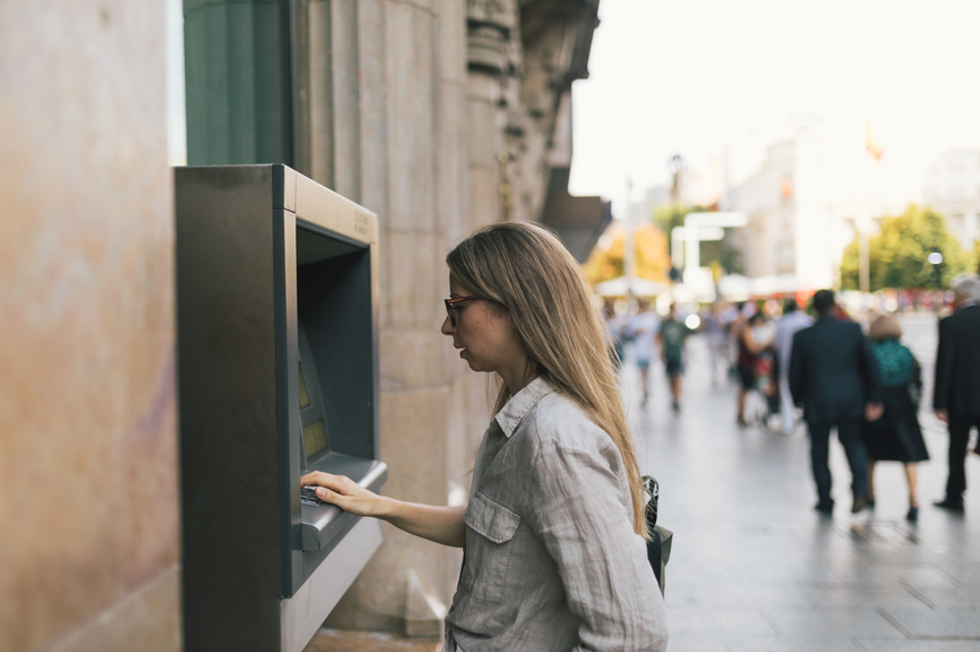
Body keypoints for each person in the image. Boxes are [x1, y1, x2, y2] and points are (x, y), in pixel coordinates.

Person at [302, 222, 668, 651]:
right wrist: (379, 505)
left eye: (456, 305)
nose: (446, 326)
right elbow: (501, 531)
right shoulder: (531, 417)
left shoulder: (554, 440)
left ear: (514, 304)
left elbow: (633, 634)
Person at [789, 290, 883, 514]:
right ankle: (860, 488)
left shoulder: (803, 336)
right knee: (854, 445)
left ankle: (825, 498)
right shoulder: (852, 329)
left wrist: (798, 401)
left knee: (819, 452)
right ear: (835, 305)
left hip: (817, 401)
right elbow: (870, 365)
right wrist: (874, 397)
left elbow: (794, 373)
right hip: (850, 400)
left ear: (814, 307)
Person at [865, 314, 929, 521]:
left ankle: (870, 493)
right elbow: (917, 380)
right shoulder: (905, 351)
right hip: (902, 405)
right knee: (909, 454)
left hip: (878, 405)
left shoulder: (870, 352)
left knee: (871, 451)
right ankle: (913, 499)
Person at [932, 274, 980, 512]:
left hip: (960, 399)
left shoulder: (951, 322)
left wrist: (939, 402)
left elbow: (945, 363)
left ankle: (955, 495)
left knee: (957, 449)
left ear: (961, 295)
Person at [772, 299, 813, 434]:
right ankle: (807, 421)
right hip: (806, 363)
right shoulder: (807, 320)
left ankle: (787, 424)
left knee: (785, 392)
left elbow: (775, 344)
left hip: (786, 361)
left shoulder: (782, 322)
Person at [735, 311, 772, 426]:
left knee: (745, 389)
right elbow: (752, 348)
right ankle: (741, 415)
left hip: (747, 363)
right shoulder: (747, 331)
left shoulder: (750, 331)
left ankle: (741, 414)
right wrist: (765, 344)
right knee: (745, 389)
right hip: (746, 364)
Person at [656, 303, 693, 412]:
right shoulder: (665, 324)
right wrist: (660, 353)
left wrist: (687, 354)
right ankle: (673, 397)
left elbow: (685, 339)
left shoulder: (680, 324)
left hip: (677, 354)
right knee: (670, 377)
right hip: (668, 353)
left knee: (677, 376)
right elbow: (660, 339)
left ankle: (677, 398)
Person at [627, 299, 660, 404]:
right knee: (641, 372)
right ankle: (643, 390)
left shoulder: (651, 318)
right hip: (639, 350)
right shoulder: (636, 318)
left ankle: (647, 389)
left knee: (647, 371)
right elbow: (632, 331)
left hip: (648, 349)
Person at [702, 302, 728, 385]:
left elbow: (723, 326)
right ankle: (715, 374)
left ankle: (723, 372)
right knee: (713, 358)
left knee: (722, 356)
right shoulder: (708, 317)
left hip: (720, 338)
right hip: (711, 338)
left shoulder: (721, 316)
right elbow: (704, 326)